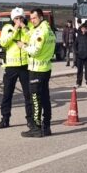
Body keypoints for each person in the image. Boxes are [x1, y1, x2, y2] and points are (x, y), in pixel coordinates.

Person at [0, 8, 32, 130]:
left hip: (25, 65)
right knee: (7, 94)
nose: (19, 20)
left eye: (21, 18)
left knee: (28, 94)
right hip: (11, 66)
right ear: (12, 19)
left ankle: (30, 119)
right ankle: (5, 119)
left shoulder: (28, 27)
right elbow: (3, 43)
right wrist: (15, 30)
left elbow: (32, 40)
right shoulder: (7, 28)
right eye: (16, 18)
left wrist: (24, 29)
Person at [21, 8, 55, 138]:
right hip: (45, 68)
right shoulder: (48, 29)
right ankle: (47, 127)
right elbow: (32, 34)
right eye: (31, 18)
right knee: (45, 98)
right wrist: (24, 28)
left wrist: (23, 46)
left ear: (41, 17)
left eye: (34, 18)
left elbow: (35, 51)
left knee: (35, 99)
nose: (32, 20)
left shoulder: (41, 31)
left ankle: (36, 127)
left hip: (37, 70)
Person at [73, 22, 87, 88]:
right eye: (82, 28)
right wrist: (76, 52)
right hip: (79, 56)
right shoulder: (78, 37)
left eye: (85, 29)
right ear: (81, 29)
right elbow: (75, 45)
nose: (84, 30)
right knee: (79, 70)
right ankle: (78, 83)